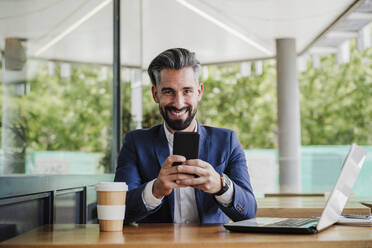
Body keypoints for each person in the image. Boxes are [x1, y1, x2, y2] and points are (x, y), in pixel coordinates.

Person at [114, 48, 256, 224]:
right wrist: (155, 190)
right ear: (155, 94)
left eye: (187, 90)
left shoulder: (227, 141)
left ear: (199, 92)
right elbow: (119, 210)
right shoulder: (136, 143)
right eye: (168, 91)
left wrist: (221, 186)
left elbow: (249, 212)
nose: (178, 103)